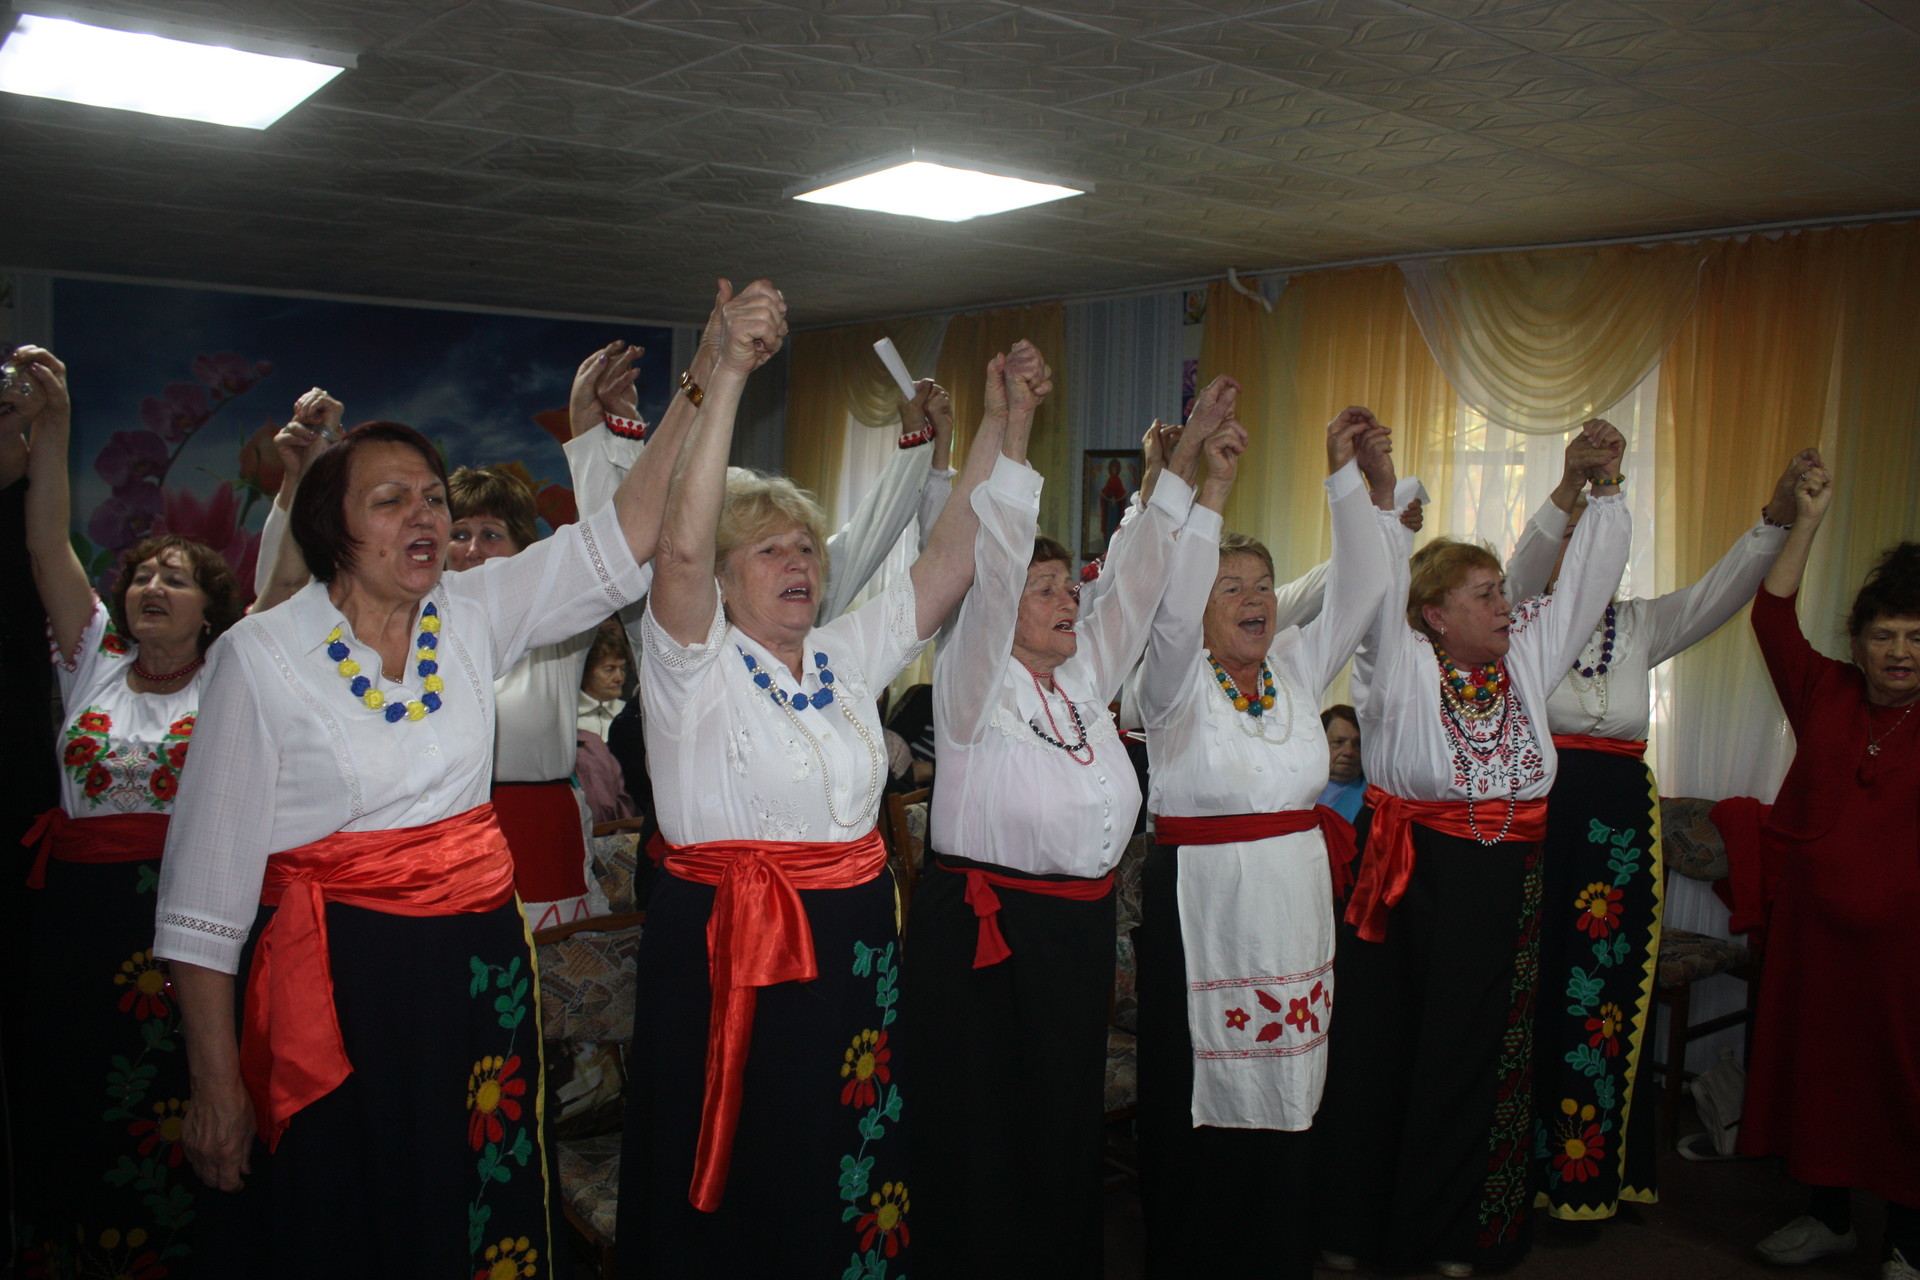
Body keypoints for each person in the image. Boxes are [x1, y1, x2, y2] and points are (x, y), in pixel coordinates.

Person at [152, 274, 707, 1271]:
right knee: (346, 1210)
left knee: (465, 1203)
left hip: (474, 971)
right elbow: (202, 896)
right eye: (392, 498)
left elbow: (618, 546)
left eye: (437, 497)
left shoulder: (473, 612)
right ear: (334, 525)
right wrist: (215, 1078)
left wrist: (701, 388)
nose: (428, 514)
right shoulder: (261, 654)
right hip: (339, 977)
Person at [612, 287, 1011, 1280]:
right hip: (725, 941)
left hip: (854, 937)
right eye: (770, 549)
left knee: (843, 1132)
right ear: (726, 577)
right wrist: (730, 372)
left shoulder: (841, 651)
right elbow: (682, 543)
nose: (795, 560)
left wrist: (1004, 424)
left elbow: (953, 557)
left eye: (804, 547)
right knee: (739, 1145)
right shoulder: (688, 661)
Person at [906, 373, 1234, 1280]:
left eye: (1066, 588)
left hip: (1075, 932)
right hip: (988, 934)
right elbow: (996, 563)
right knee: (982, 1129)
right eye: (1045, 588)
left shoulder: (1083, 681)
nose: (1065, 600)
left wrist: (1187, 459)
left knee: (1057, 1125)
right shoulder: (973, 679)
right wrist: (1011, 432)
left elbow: (1136, 574)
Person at [1314, 418, 1631, 1277]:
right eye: (1486, 595)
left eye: (1502, 592)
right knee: (1384, 1050)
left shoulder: (1525, 658)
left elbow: (1580, 585)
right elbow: (1374, 587)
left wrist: (1597, 491)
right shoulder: (1402, 664)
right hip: (1410, 878)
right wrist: (1376, 497)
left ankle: (1460, 1234)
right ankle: (1357, 1225)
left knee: (1480, 1057)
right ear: (1435, 615)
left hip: (1505, 884)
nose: (1506, 605)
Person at [1503, 437, 1817, 1222]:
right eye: (1573, 543)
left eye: (1596, 546)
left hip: (1616, 829)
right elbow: (1522, 561)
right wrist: (1574, 485)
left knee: (1603, 997)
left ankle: (1592, 1177)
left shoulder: (1643, 626)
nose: (1584, 558)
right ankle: (1518, 1171)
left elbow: (1725, 588)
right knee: (1531, 987)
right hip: (1539, 816)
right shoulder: (1516, 620)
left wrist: (1777, 519)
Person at [1132, 406, 1392, 1280]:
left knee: (1292, 1077)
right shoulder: (1170, 684)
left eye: (1262, 585)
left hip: (1295, 905)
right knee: (1202, 1088)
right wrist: (1213, 488)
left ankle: (1280, 1245)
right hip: (1201, 908)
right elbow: (1167, 619)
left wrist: (1344, 477)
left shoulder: (1291, 665)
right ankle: (1197, 1255)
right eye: (1229, 585)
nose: (1253, 599)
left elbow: (1363, 585)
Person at [14, 344, 245, 1275]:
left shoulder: (230, 683)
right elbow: (44, 546)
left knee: (172, 1089)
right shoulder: (93, 666)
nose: (152, 584)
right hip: (74, 921)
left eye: (176, 577)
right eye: (144, 572)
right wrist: (53, 421)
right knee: (76, 1087)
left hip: (180, 920)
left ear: (209, 611)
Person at [1737, 466, 1919, 1280]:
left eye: (1917, 636)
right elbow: (1772, 616)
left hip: (1904, 960)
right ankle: (1830, 1218)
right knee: (1820, 1084)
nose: (1899, 652)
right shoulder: (1826, 693)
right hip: (1815, 944)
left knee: (1903, 1090)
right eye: (1884, 635)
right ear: (1859, 642)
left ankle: (1910, 1240)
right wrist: (1804, 521)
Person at [1318, 704, 1367, 824]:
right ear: (1320, 743)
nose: (1348, 752)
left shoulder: (1374, 797)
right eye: (1339, 742)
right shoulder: (1298, 788)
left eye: (1358, 744)